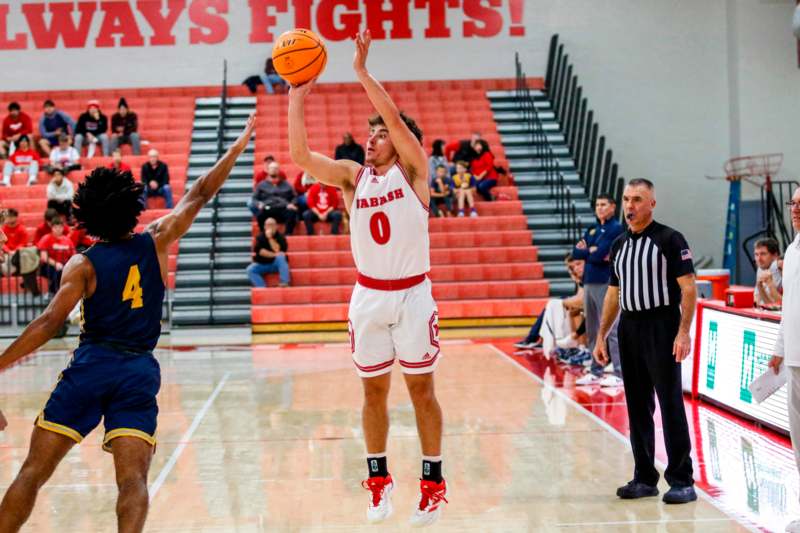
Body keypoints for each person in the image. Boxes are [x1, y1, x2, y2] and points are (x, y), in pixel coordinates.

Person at [0, 114, 255, 532]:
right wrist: (237, 146)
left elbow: (48, 323)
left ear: (85, 214)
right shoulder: (156, 239)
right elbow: (201, 192)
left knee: (33, 472)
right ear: (130, 206)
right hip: (138, 370)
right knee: (132, 479)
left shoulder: (82, 265)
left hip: (92, 366)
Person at [289, 30, 447, 526]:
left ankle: (433, 483)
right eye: (369, 132)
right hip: (368, 298)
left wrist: (361, 73)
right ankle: (379, 482)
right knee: (372, 393)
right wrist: (296, 98)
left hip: (414, 295)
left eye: (379, 133)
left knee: (422, 392)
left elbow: (397, 122)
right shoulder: (351, 177)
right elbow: (300, 157)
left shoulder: (415, 171)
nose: (371, 137)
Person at [594, 178, 697, 504]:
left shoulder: (669, 238)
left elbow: (689, 288)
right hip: (630, 327)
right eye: (626, 199)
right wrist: (601, 335)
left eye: (637, 199)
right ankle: (644, 477)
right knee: (637, 406)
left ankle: (682, 480)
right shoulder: (620, 244)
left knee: (669, 404)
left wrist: (683, 331)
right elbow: (614, 293)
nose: (630, 206)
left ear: (652, 203)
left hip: (662, 325)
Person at [768, 188, 800, 533]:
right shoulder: (791, 251)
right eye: (794, 204)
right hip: (793, 359)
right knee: (799, 440)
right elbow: (787, 306)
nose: (796, 210)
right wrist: (779, 346)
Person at [573, 194, 625, 387]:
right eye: (597, 205)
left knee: (611, 328)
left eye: (604, 204)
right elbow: (577, 252)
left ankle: (619, 373)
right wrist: (591, 252)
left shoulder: (616, 228)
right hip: (589, 281)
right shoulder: (592, 228)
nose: (600, 208)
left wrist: (592, 252)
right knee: (592, 328)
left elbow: (603, 254)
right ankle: (596, 370)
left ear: (612, 207)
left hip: (607, 281)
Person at [249, 170, 299, 234]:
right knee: (260, 214)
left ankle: (288, 234)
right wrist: (259, 203)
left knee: (292, 213)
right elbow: (254, 198)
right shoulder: (261, 185)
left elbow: (295, 197)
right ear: (268, 176)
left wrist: (292, 203)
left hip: (283, 207)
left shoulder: (287, 185)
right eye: (272, 176)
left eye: (276, 176)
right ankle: (264, 233)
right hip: (268, 207)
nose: (274, 178)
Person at [36, 216, 76, 294]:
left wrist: (68, 265)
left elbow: (73, 256)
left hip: (64, 265)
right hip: (47, 266)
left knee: (63, 271)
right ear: (52, 228)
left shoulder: (68, 240)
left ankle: (54, 292)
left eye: (60, 227)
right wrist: (56, 264)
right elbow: (43, 257)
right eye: (55, 227)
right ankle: (55, 292)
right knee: (59, 271)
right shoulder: (46, 238)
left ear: (63, 228)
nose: (58, 229)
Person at [246, 217, 290, 287]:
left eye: (272, 225)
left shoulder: (281, 237)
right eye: (268, 225)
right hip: (263, 264)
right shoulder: (260, 237)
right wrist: (275, 255)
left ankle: (284, 282)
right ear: (264, 226)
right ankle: (262, 288)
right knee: (250, 269)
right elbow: (261, 252)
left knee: (281, 257)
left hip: (276, 264)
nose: (270, 227)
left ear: (276, 226)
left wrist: (270, 238)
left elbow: (278, 250)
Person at [753, 237, 782, 309]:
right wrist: (760, 287)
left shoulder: (782, 268)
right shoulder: (761, 268)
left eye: (763, 254)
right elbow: (759, 302)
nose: (759, 259)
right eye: (756, 254)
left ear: (775, 255)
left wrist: (770, 285)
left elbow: (784, 307)